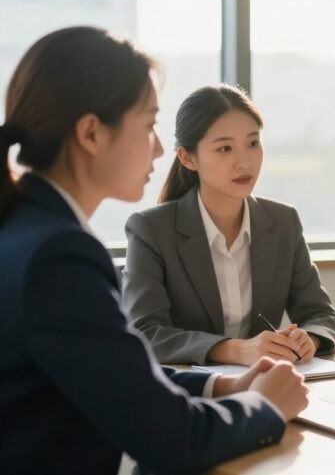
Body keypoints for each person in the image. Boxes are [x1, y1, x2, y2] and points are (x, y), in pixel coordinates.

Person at [0, 27, 308, 473]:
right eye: (148, 125)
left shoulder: (24, 227)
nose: (160, 147)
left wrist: (221, 386)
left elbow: (112, 374)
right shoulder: (60, 257)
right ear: (91, 134)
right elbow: (172, 437)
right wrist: (264, 407)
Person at [122, 84, 335, 365]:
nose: (244, 162)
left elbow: (322, 315)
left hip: (265, 386)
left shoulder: (283, 222)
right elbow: (145, 332)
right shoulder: (150, 230)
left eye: (253, 143)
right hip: (187, 393)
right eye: (225, 148)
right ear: (188, 158)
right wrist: (234, 350)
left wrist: (309, 339)